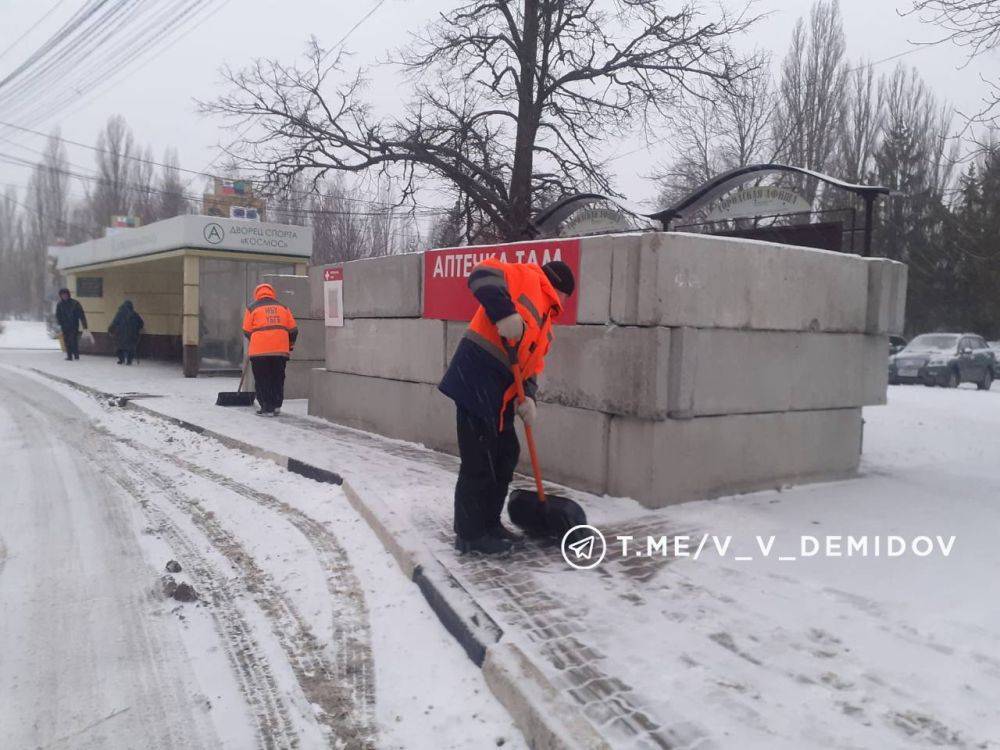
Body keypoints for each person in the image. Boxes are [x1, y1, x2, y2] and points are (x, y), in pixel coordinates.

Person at [439, 258, 575, 555]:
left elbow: (531, 366)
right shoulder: (525, 276)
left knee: (504, 456)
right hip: (476, 379)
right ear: (561, 290)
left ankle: (489, 524)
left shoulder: (545, 325)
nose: (565, 303)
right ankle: (470, 534)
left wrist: (529, 398)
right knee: (479, 461)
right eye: (567, 296)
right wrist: (504, 313)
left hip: (501, 395)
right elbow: (480, 274)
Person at [242, 282, 298, 417]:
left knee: (262, 379)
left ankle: (266, 407)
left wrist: (256, 339)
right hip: (280, 351)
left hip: (259, 352)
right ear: (272, 293)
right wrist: (289, 345)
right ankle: (277, 405)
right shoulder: (283, 307)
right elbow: (294, 330)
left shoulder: (252, 308)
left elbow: (246, 330)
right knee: (277, 377)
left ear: (257, 294)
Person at [55, 287, 88, 361]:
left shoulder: (75, 303)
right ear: (60, 296)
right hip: (64, 325)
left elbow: (81, 315)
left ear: (68, 295)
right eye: (62, 295)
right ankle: (69, 356)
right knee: (67, 341)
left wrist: (85, 326)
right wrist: (59, 323)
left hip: (74, 325)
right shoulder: (60, 304)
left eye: (65, 294)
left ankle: (76, 355)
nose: (64, 296)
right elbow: (58, 315)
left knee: (73, 340)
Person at [108, 300, 144, 365]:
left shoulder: (119, 313)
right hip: (132, 335)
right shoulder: (135, 314)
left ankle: (121, 360)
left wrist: (110, 330)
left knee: (119, 347)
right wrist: (137, 329)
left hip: (121, 335)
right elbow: (141, 324)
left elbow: (114, 322)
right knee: (131, 348)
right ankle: (129, 361)